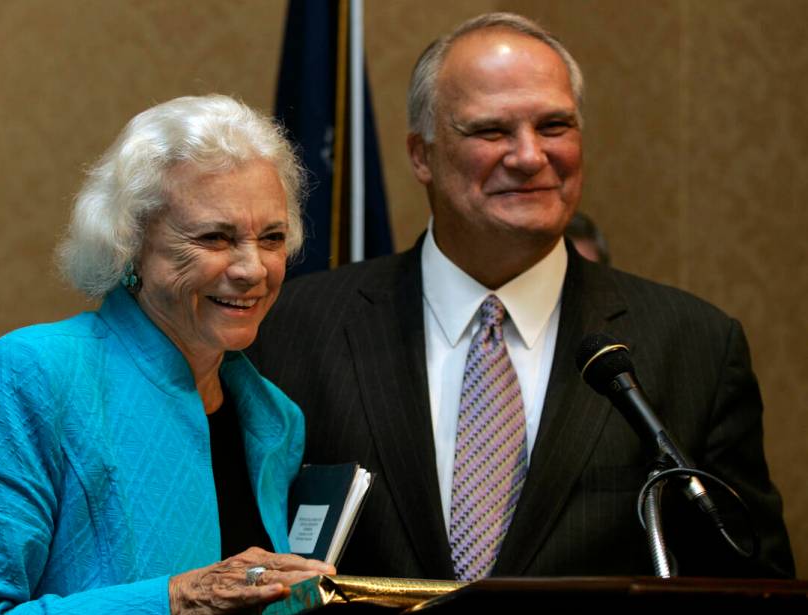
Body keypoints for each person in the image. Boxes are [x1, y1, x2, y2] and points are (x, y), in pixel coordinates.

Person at [248, 14, 794, 580]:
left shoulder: (694, 346)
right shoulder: (293, 329)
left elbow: (754, 595)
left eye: (555, 126)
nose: (530, 156)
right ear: (421, 155)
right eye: (491, 131)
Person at [0, 94, 335, 615]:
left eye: (272, 238)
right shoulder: (31, 376)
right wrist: (179, 600)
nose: (252, 268)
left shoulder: (273, 417)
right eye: (215, 237)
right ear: (130, 243)